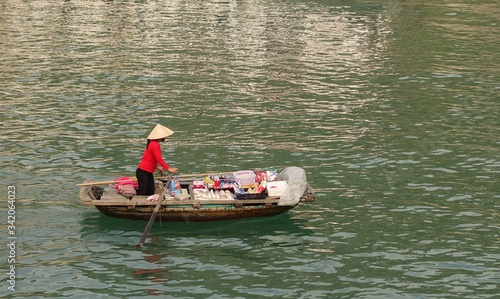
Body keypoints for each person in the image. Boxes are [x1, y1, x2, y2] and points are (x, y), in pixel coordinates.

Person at [136, 124, 179, 195]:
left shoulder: (152, 144)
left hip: (148, 172)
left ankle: (148, 205)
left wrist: (157, 167)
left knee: (150, 192)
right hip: (143, 172)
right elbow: (159, 159)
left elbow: (149, 158)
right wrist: (168, 168)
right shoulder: (154, 144)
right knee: (143, 193)